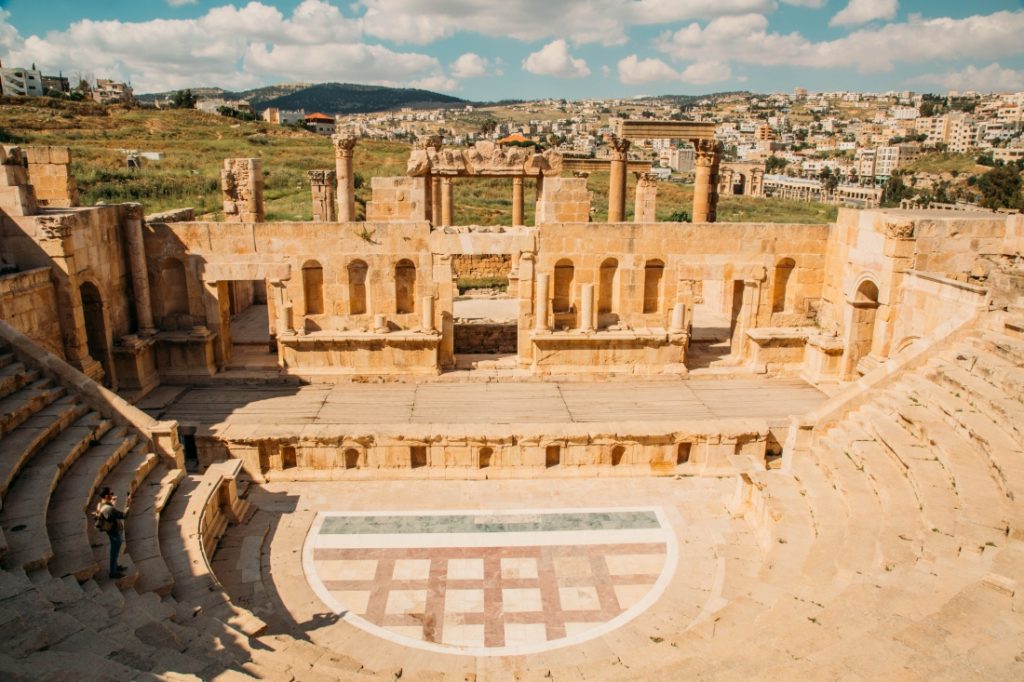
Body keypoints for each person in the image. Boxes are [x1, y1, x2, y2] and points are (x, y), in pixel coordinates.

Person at [95, 487, 128, 578]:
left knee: (115, 551)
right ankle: (113, 573)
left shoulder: (101, 504)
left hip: (111, 531)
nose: (112, 495)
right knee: (114, 552)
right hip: (114, 532)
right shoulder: (108, 509)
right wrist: (128, 504)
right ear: (106, 496)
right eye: (111, 493)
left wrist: (112, 503)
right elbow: (123, 515)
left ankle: (115, 567)